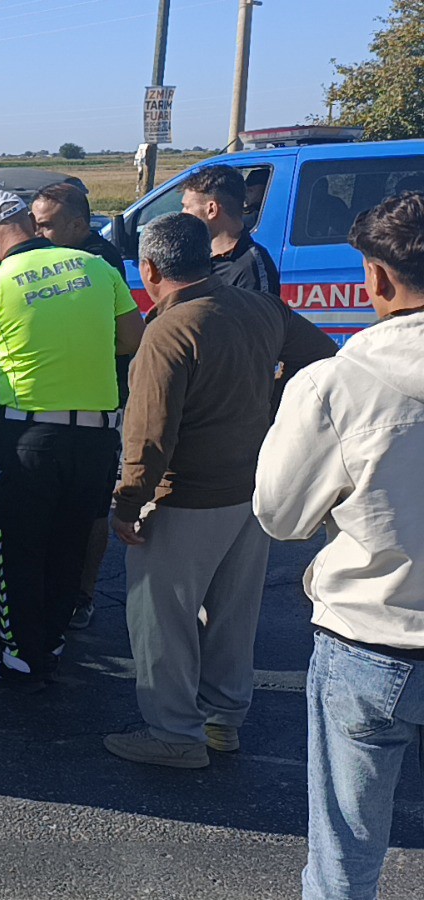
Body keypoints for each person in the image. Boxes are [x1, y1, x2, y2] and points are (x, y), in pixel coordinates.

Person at [105, 212, 336, 769]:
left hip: (186, 497)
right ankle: (222, 722)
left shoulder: (169, 330)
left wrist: (127, 500)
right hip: (250, 491)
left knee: (163, 619)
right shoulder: (261, 307)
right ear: (208, 257)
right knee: (234, 614)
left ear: (150, 268)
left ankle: (174, 734)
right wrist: (270, 401)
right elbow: (323, 358)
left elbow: (150, 432)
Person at [255, 193, 424, 898]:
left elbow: (282, 515)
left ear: (377, 281)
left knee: (344, 857)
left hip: (372, 638)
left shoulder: (334, 384)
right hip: (372, 641)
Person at [0, 191, 144, 688]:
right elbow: (132, 340)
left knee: (19, 550)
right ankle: (54, 643)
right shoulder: (95, 267)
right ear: (29, 224)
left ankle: (19, 659)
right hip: (97, 437)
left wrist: (4, 373)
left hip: (30, 435)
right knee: (69, 544)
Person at [33, 180, 130, 631]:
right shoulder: (49, 255)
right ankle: (54, 590)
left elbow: (122, 337)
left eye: (48, 225)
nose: (39, 233)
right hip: (58, 402)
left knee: (91, 510)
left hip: (95, 406)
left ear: (78, 223)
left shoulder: (99, 263)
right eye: (35, 224)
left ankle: (82, 595)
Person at [181, 165, 281, 296]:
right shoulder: (198, 257)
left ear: (212, 210)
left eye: (187, 207)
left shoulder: (250, 268)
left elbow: (259, 316)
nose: (182, 214)